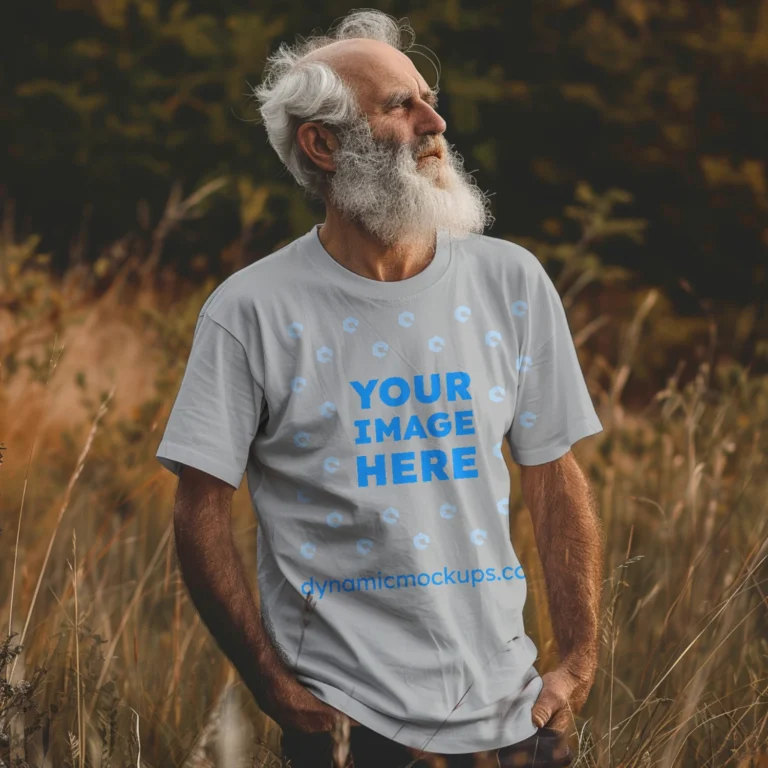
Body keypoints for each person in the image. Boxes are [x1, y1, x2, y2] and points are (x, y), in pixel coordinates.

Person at [156, 9, 604, 768]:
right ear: (321, 144)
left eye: (426, 98)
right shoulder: (252, 310)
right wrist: (273, 686)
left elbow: (553, 473)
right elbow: (199, 508)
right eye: (399, 105)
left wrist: (579, 659)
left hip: (516, 710)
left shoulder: (512, 280)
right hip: (350, 724)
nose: (435, 121)